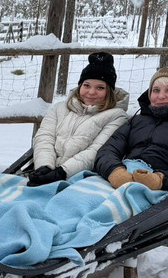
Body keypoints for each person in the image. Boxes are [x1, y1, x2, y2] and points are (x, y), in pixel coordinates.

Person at [27, 51, 129, 186]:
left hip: (82, 177)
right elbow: (44, 138)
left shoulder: (117, 116)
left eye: (100, 87)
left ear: (108, 91)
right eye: (87, 85)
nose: (91, 92)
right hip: (47, 171)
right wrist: (44, 166)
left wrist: (62, 172)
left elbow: (96, 151)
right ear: (80, 86)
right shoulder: (59, 108)